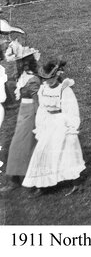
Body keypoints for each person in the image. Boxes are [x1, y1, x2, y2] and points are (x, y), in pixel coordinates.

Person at [21, 61, 85, 197]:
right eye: (45, 78)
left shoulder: (64, 90)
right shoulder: (43, 89)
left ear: (56, 76)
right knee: (42, 152)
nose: (47, 81)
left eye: (50, 78)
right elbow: (42, 108)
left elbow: (71, 110)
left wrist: (71, 128)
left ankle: (77, 184)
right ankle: (42, 184)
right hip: (48, 123)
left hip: (61, 123)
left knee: (67, 153)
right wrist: (40, 125)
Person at [0, 53, 41, 193]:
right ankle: (16, 178)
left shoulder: (33, 79)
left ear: (26, 64)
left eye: (19, 63)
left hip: (31, 114)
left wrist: (39, 121)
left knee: (24, 145)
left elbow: (37, 103)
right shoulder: (23, 77)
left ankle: (30, 180)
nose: (17, 65)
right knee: (18, 146)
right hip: (23, 113)